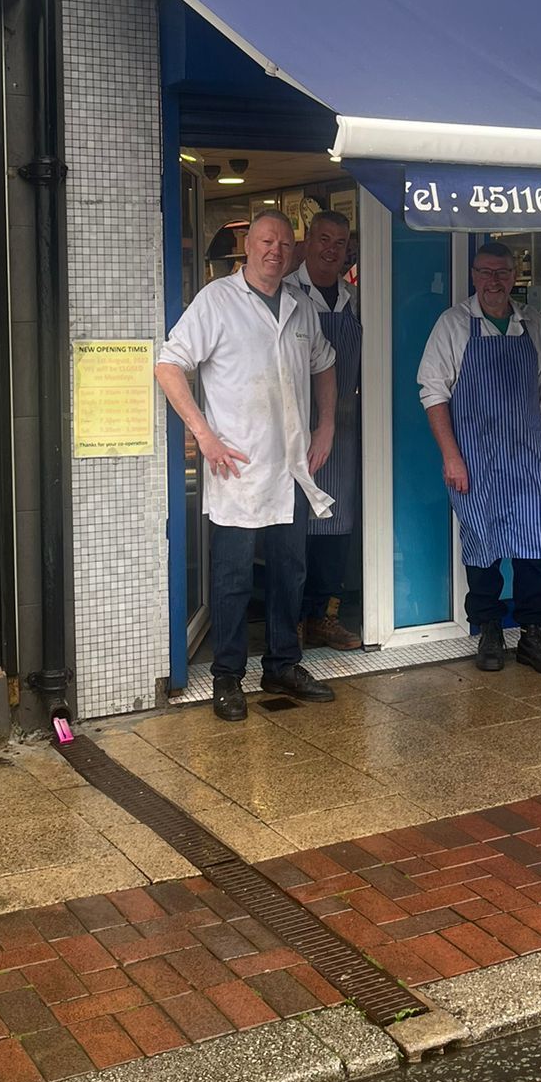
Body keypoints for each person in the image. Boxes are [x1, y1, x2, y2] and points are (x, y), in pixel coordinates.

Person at [156, 210, 338, 722]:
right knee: (233, 578)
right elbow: (169, 365)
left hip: (291, 469)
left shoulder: (301, 307)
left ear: (292, 250)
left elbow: (324, 363)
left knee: (289, 574)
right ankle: (228, 677)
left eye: (283, 242)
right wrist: (203, 434)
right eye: (265, 240)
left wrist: (326, 428)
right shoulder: (216, 300)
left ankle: (283, 664)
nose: (274, 250)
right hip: (236, 469)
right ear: (248, 246)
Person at [417, 238, 541, 676]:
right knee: (483, 544)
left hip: (529, 456)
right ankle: (488, 628)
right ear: (473, 276)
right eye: (486, 272)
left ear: (514, 276)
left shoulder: (534, 325)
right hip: (475, 458)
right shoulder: (454, 324)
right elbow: (433, 394)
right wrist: (451, 457)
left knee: (535, 543)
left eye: (502, 272)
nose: (494, 281)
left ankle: (534, 633)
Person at [292, 210, 362, 651]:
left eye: (339, 242)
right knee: (295, 526)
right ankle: (293, 617)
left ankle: (324, 615)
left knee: (337, 524)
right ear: (308, 241)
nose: (331, 249)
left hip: (346, 428)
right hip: (295, 426)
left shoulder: (355, 299)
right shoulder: (286, 293)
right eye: (323, 239)